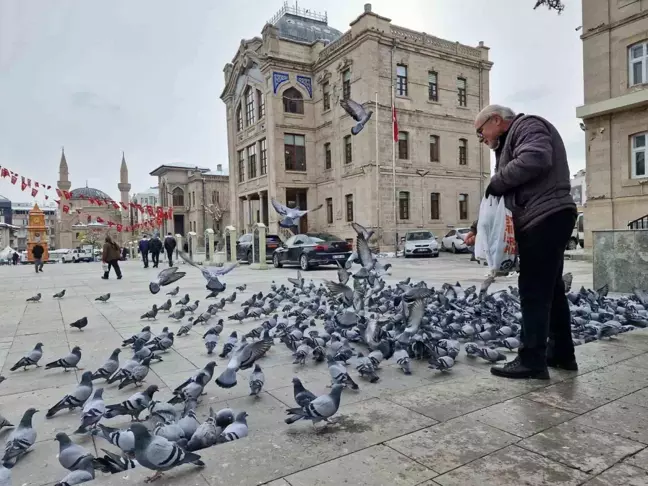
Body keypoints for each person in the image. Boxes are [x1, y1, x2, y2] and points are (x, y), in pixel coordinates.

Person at [476, 104, 577, 380]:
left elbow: (536, 159)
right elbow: (505, 201)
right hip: (548, 216)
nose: (481, 138)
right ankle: (561, 354)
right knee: (552, 290)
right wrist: (478, 226)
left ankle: (531, 360)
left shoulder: (528, 125)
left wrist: (497, 181)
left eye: (480, 131)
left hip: (545, 216)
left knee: (533, 289)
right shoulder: (509, 142)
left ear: (496, 120)